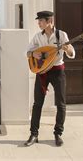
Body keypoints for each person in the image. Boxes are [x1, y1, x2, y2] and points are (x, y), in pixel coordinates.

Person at [24, 10, 75, 147]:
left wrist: (66, 49)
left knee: (61, 103)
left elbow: (71, 53)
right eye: (38, 21)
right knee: (37, 103)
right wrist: (34, 53)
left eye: (41, 21)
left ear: (49, 21)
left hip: (57, 71)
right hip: (42, 72)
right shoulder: (37, 37)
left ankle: (58, 134)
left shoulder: (61, 35)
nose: (38, 23)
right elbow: (27, 52)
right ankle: (34, 134)